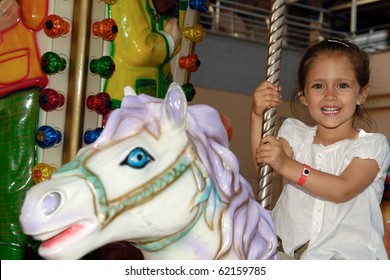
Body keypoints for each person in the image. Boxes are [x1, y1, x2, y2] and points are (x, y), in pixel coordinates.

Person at [250, 39, 390, 259]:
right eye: (318, 85)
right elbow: (266, 164)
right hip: (287, 250)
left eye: (342, 85)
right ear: (303, 96)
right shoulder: (296, 134)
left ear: (362, 94)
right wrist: (257, 115)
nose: (330, 95)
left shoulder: (371, 146)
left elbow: (342, 189)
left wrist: (287, 164)